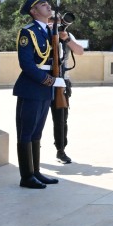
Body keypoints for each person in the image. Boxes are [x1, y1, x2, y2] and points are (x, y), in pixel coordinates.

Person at [12, 0, 68, 189]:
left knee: (37, 132)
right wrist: (50, 81)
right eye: (43, 5)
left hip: (46, 89)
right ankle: (26, 176)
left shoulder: (50, 31)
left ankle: (35, 172)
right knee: (26, 133)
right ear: (34, 11)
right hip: (31, 88)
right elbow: (26, 64)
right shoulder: (28, 32)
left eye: (47, 4)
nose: (48, 6)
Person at [50, 24, 85, 164]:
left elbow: (80, 51)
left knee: (61, 120)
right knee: (36, 119)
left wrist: (66, 38)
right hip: (42, 82)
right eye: (52, 20)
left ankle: (61, 150)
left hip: (62, 82)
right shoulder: (39, 33)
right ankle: (34, 148)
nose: (55, 24)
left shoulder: (66, 35)